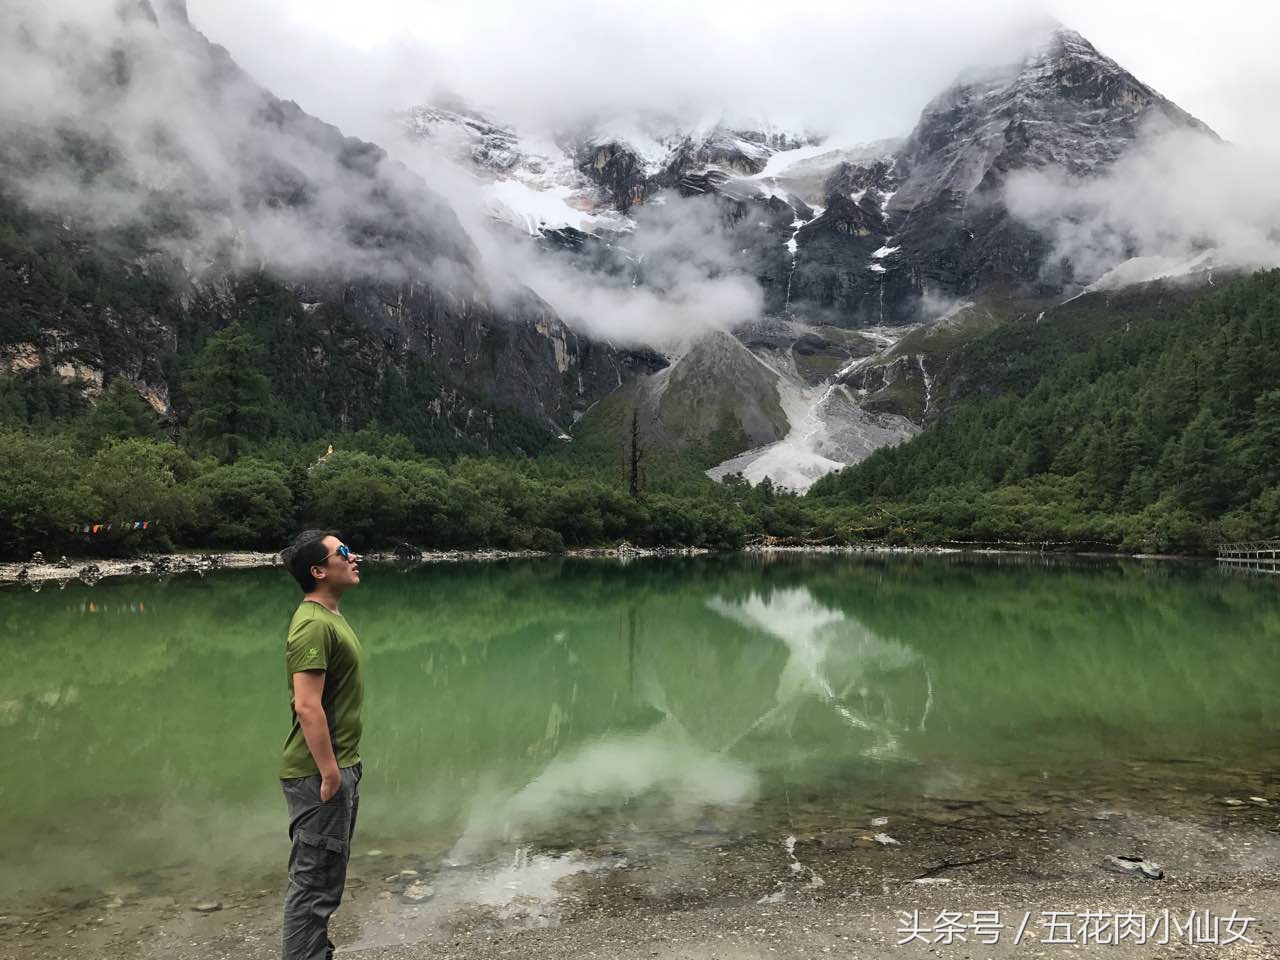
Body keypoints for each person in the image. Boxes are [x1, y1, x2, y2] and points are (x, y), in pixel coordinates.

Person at [277, 529, 364, 960]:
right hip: (319, 773)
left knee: (325, 881)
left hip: (337, 767)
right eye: (343, 553)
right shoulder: (311, 625)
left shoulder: (329, 617)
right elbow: (307, 706)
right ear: (318, 570)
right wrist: (330, 773)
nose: (354, 557)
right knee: (312, 886)